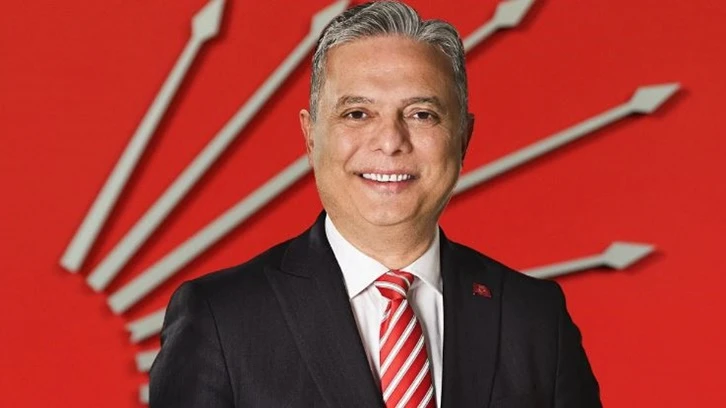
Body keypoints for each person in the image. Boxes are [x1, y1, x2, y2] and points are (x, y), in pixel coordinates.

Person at [149, 1, 601, 407]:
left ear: (463, 137)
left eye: (421, 114)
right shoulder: (220, 317)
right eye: (357, 114)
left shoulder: (535, 316)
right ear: (310, 136)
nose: (390, 141)